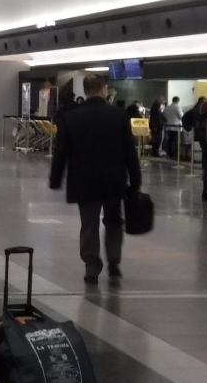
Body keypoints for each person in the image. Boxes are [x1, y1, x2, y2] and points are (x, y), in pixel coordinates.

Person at [49, 74, 141, 284]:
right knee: (114, 221)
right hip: (113, 180)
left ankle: (91, 266)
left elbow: (61, 151)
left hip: (84, 180)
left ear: (86, 90)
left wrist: (55, 179)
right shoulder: (118, 116)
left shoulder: (72, 117)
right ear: (103, 89)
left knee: (89, 224)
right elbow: (130, 151)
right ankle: (114, 261)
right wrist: (135, 179)